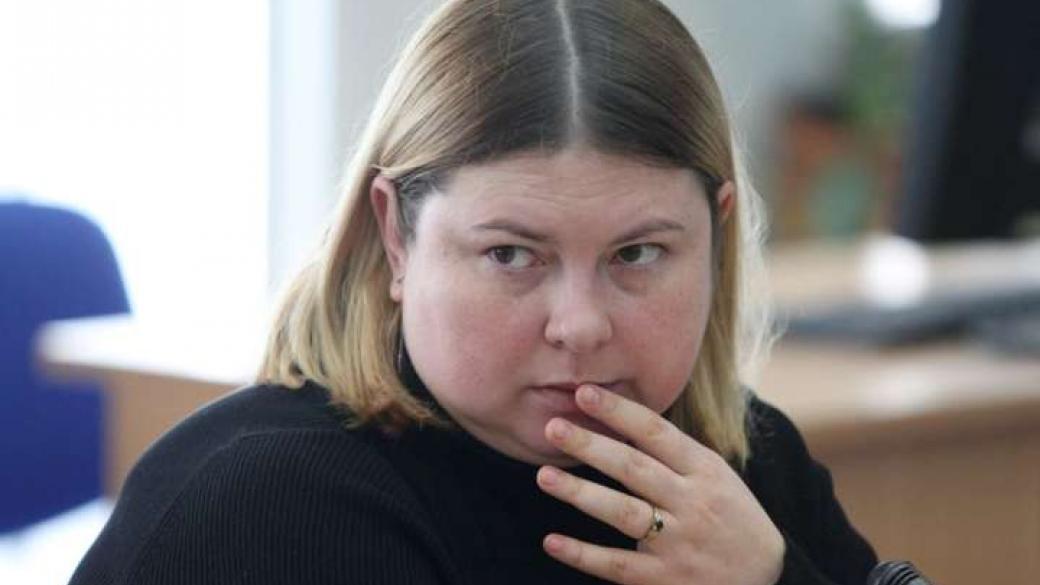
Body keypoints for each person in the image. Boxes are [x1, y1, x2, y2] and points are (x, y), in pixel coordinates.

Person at [69, 0, 878, 583]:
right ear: (397, 234)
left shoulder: (740, 469)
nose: (580, 325)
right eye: (511, 255)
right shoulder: (278, 501)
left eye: (637, 253)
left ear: (716, 236)